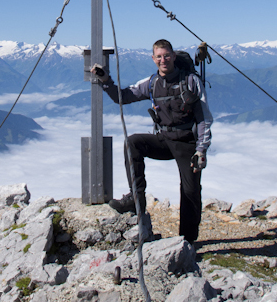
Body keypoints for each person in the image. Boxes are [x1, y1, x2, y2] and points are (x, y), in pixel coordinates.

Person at [91, 39, 213, 244]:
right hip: (163, 139)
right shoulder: (152, 83)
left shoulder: (191, 81)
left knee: (190, 190)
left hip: (187, 143)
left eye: (166, 56)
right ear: (153, 58)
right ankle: (136, 199)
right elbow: (123, 96)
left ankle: (188, 242)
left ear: (173, 56)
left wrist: (201, 149)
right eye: (159, 56)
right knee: (133, 143)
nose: (163, 60)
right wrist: (106, 80)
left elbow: (204, 118)